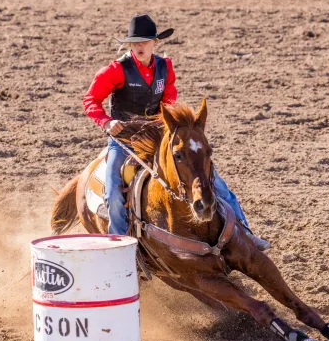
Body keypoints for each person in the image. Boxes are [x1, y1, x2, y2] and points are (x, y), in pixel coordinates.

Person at [83, 14, 270, 251]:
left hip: (159, 137)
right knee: (113, 194)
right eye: (135, 42)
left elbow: (169, 98)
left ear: (155, 43)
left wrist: (168, 124)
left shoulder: (165, 66)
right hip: (124, 141)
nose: (139, 46)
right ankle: (119, 249)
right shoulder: (115, 70)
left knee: (217, 182)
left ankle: (245, 233)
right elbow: (91, 100)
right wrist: (106, 122)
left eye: (144, 41)